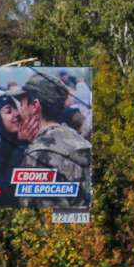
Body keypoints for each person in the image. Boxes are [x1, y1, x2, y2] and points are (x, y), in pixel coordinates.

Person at [8, 74, 92, 209]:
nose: (18, 113)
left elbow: (35, 217)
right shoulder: (80, 142)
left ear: (35, 106)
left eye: (22, 104)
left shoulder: (37, 156)